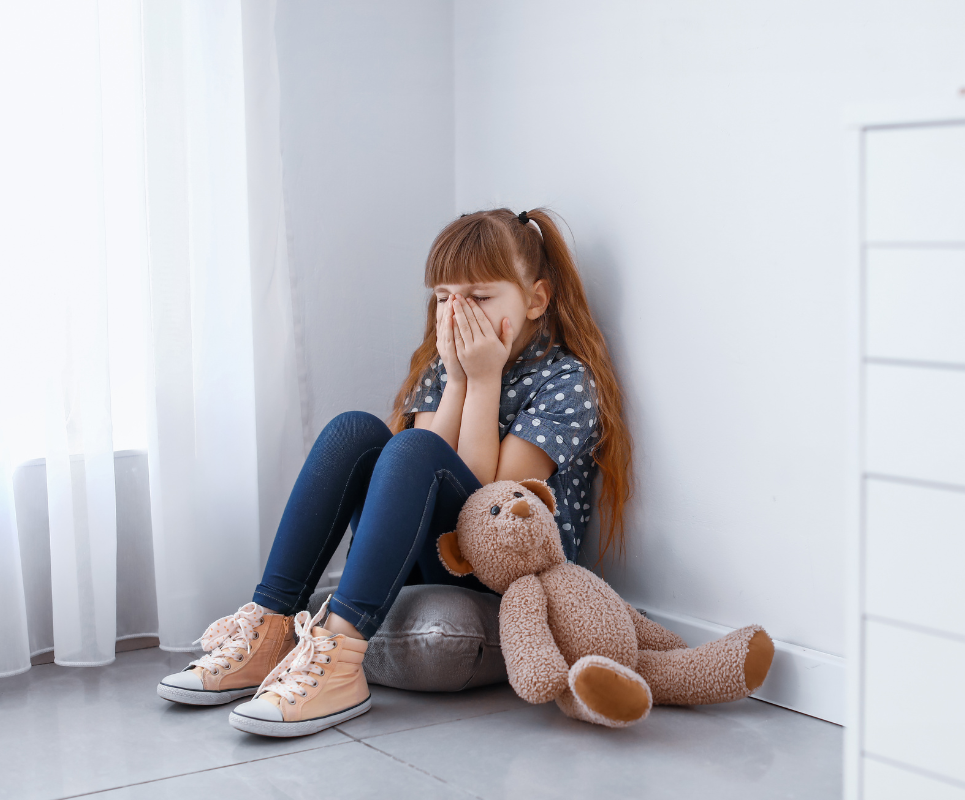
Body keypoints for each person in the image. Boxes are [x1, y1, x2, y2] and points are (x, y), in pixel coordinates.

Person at [155, 208, 633, 737]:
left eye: (479, 297)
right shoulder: (442, 366)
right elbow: (426, 459)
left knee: (412, 448)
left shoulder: (565, 382)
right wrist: (458, 381)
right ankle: (268, 628)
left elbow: (492, 507)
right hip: (424, 552)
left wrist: (484, 379)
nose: (457, 313)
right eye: (444, 297)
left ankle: (339, 661)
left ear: (536, 300)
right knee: (354, 431)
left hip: (497, 570)